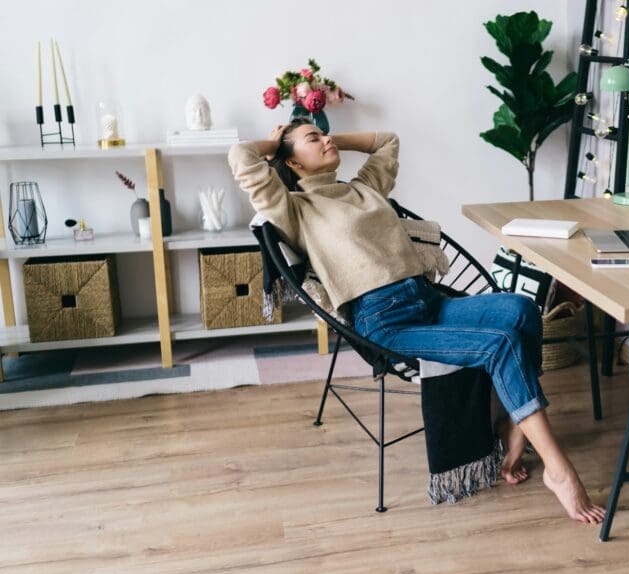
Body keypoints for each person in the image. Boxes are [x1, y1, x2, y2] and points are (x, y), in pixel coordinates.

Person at [228, 119, 605, 524]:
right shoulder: (294, 208)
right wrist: (277, 142)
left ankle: (514, 425)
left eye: (325, 133)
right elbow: (241, 158)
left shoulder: (363, 188)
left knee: (520, 309)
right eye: (313, 139)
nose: (327, 139)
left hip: (426, 300)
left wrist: (322, 140)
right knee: (499, 343)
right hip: (385, 323)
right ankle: (559, 471)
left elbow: (388, 141)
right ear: (293, 162)